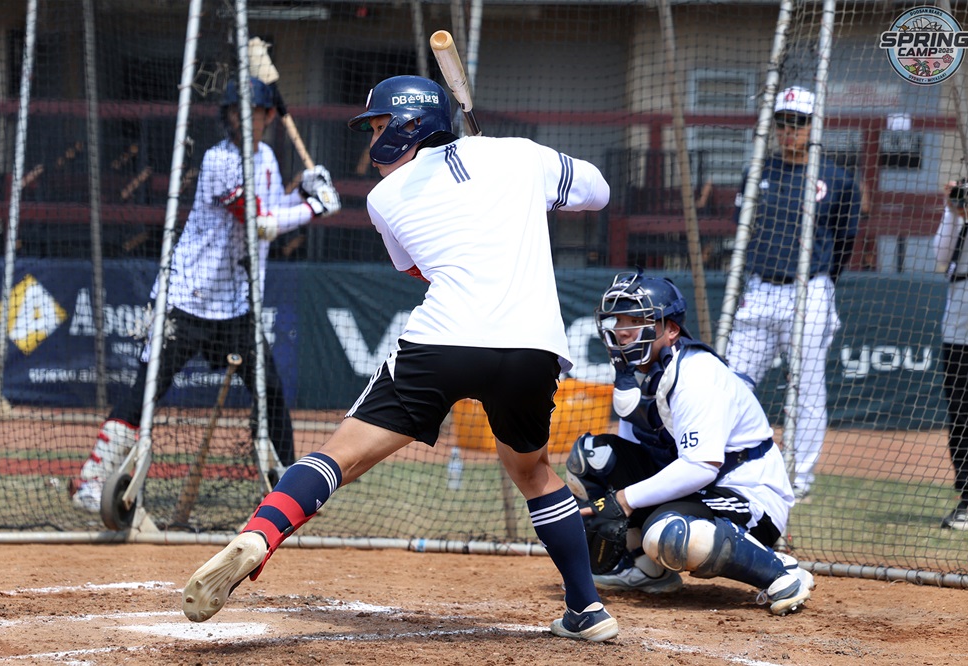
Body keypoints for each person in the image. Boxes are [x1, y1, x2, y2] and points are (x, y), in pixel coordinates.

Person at [180, 75, 619, 642]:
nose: (373, 142)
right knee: (534, 472)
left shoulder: (384, 198)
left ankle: (261, 535)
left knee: (342, 455)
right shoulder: (520, 156)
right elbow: (600, 192)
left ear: (414, 126)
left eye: (382, 127)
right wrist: (535, 187)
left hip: (445, 339)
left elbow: (420, 270)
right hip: (532, 347)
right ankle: (587, 609)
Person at [69, 76, 341, 512]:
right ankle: (92, 482)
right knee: (145, 391)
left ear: (269, 116)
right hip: (186, 300)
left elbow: (273, 209)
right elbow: (259, 223)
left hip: (236, 307)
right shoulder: (220, 161)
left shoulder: (267, 157)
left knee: (269, 390)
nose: (240, 119)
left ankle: (294, 494)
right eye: (235, 111)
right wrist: (315, 206)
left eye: (250, 111)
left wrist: (305, 187)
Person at [565, 270, 814, 614]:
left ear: (670, 330)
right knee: (591, 458)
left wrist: (622, 500)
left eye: (636, 320)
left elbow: (701, 466)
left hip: (747, 493)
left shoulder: (697, 375)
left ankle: (780, 572)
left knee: (669, 536)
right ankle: (647, 570)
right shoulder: (637, 372)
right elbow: (632, 452)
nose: (622, 331)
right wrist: (611, 498)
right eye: (618, 320)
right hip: (695, 490)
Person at [726, 85, 861, 501]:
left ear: (813, 126)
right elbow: (743, 229)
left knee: (806, 387)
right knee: (730, 381)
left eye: (798, 122)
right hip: (760, 286)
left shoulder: (837, 178)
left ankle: (799, 475)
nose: (790, 130)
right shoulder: (758, 171)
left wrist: (825, 281)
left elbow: (845, 239)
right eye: (783, 122)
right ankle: (728, 463)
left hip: (811, 290)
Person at [933, 178, 968, 530]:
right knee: (963, 420)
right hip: (961, 337)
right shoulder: (962, 220)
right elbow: (939, 259)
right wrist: (955, 211)